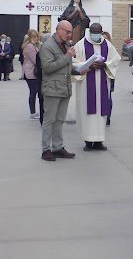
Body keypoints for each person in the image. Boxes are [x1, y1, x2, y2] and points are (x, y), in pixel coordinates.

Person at [73, 23, 121, 151]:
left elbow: (116, 59)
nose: (95, 34)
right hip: (85, 86)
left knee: (101, 112)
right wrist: (88, 65)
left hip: (102, 84)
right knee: (86, 112)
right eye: (93, 32)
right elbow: (73, 62)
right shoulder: (80, 45)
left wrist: (105, 65)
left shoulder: (107, 45)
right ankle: (88, 142)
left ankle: (99, 141)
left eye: (97, 32)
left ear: (101, 32)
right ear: (89, 31)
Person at [39, 20, 79, 162]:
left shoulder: (66, 45)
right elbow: (48, 67)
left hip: (64, 88)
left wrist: (79, 70)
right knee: (49, 120)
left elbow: (65, 67)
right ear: (58, 30)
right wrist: (67, 56)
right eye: (67, 32)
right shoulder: (47, 46)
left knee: (60, 120)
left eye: (70, 32)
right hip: (52, 89)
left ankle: (57, 147)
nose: (69, 35)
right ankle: (46, 150)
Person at [21, 30, 43, 120]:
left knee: (33, 92)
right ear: (30, 37)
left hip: (29, 71)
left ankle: (33, 112)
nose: (36, 38)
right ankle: (32, 112)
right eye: (34, 37)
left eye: (37, 36)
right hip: (30, 72)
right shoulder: (30, 46)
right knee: (33, 92)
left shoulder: (32, 45)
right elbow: (35, 59)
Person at [102, 31, 115, 126]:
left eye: (106, 38)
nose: (104, 40)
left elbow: (114, 62)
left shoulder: (111, 49)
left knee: (108, 97)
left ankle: (108, 117)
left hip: (108, 75)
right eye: (103, 38)